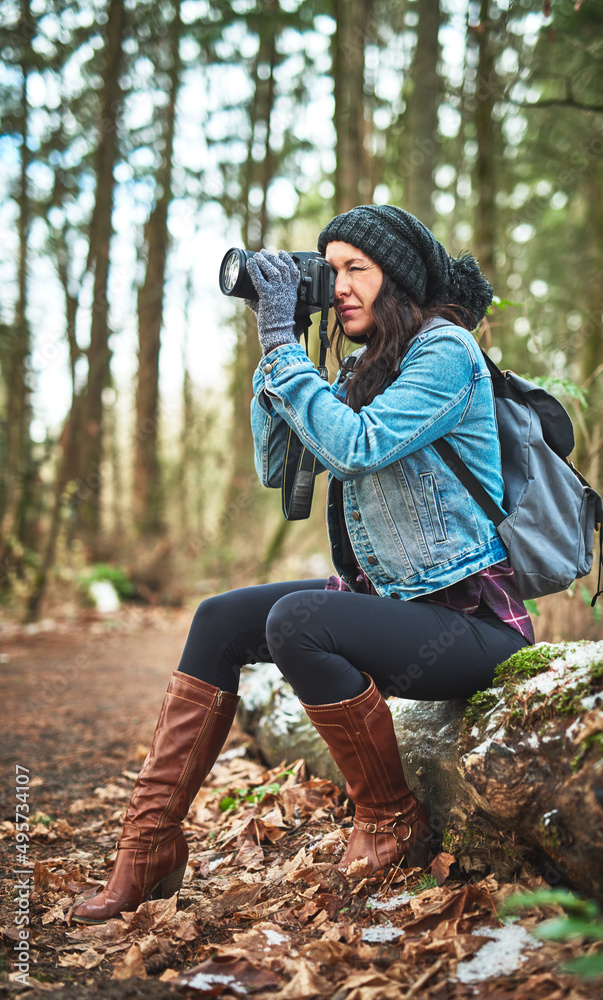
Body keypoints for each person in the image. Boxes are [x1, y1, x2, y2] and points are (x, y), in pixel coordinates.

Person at [72, 205, 533, 925]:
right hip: (395, 607)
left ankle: (388, 820)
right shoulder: (357, 366)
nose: (340, 285)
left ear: (399, 281)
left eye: (358, 269)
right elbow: (276, 465)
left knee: (297, 622)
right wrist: (277, 347)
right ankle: (149, 843)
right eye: (330, 269)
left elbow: (355, 446)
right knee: (219, 618)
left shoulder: (445, 354)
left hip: (469, 624)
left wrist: (285, 345)